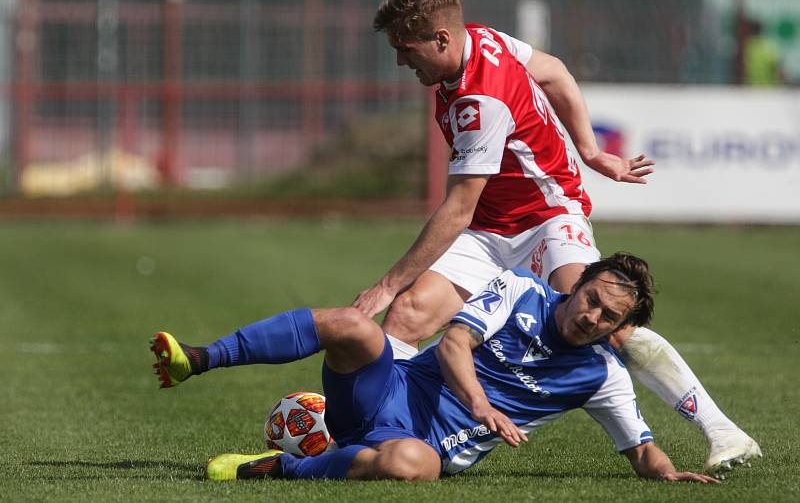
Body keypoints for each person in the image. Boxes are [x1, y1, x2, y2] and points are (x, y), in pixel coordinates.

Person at [352, 0, 760, 476]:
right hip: (490, 228)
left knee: (601, 322)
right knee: (411, 315)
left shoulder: (481, 100)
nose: (400, 60)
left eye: (405, 48)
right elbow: (555, 70)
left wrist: (386, 285)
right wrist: (590, 150)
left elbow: (456, 208)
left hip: (549, 213)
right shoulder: (480, 37)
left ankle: (722, 431)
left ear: (440, 39)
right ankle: (379, 434)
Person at [151, 253, 719, 484]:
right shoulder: (521, 291)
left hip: (426, 444)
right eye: (591, 298)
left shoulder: (601, 375)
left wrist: (667, 473)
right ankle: (199, 359)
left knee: (411, 465)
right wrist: (483, 405)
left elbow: (640, 449)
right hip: (388, 390)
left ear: (620, 328)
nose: (591, 316)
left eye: (608, 316)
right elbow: (454, 343)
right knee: (354, 326)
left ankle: (280, 468)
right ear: (577, 286)